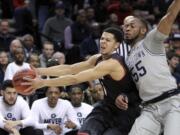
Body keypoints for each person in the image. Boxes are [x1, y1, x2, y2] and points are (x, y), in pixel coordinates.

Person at [22, 27, 141, 135]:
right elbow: (70, 68)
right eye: (102, 38)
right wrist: (38, 71)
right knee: (84, 133)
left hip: (126, 112)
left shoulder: (112, 63)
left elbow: (75, 78)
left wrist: (43, 83)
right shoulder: (97, 58)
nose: (103, 42)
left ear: (117, 45)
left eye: (108, 40)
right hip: (107, 106)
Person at [122, 0, 180, 134]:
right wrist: (123, 95)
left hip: (171, 102)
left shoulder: (150, 41)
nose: (127, 28)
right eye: (125, 26)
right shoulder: (128, 58)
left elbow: (170, 15)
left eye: (132, 26)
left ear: (143, 30)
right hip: (149, 109)